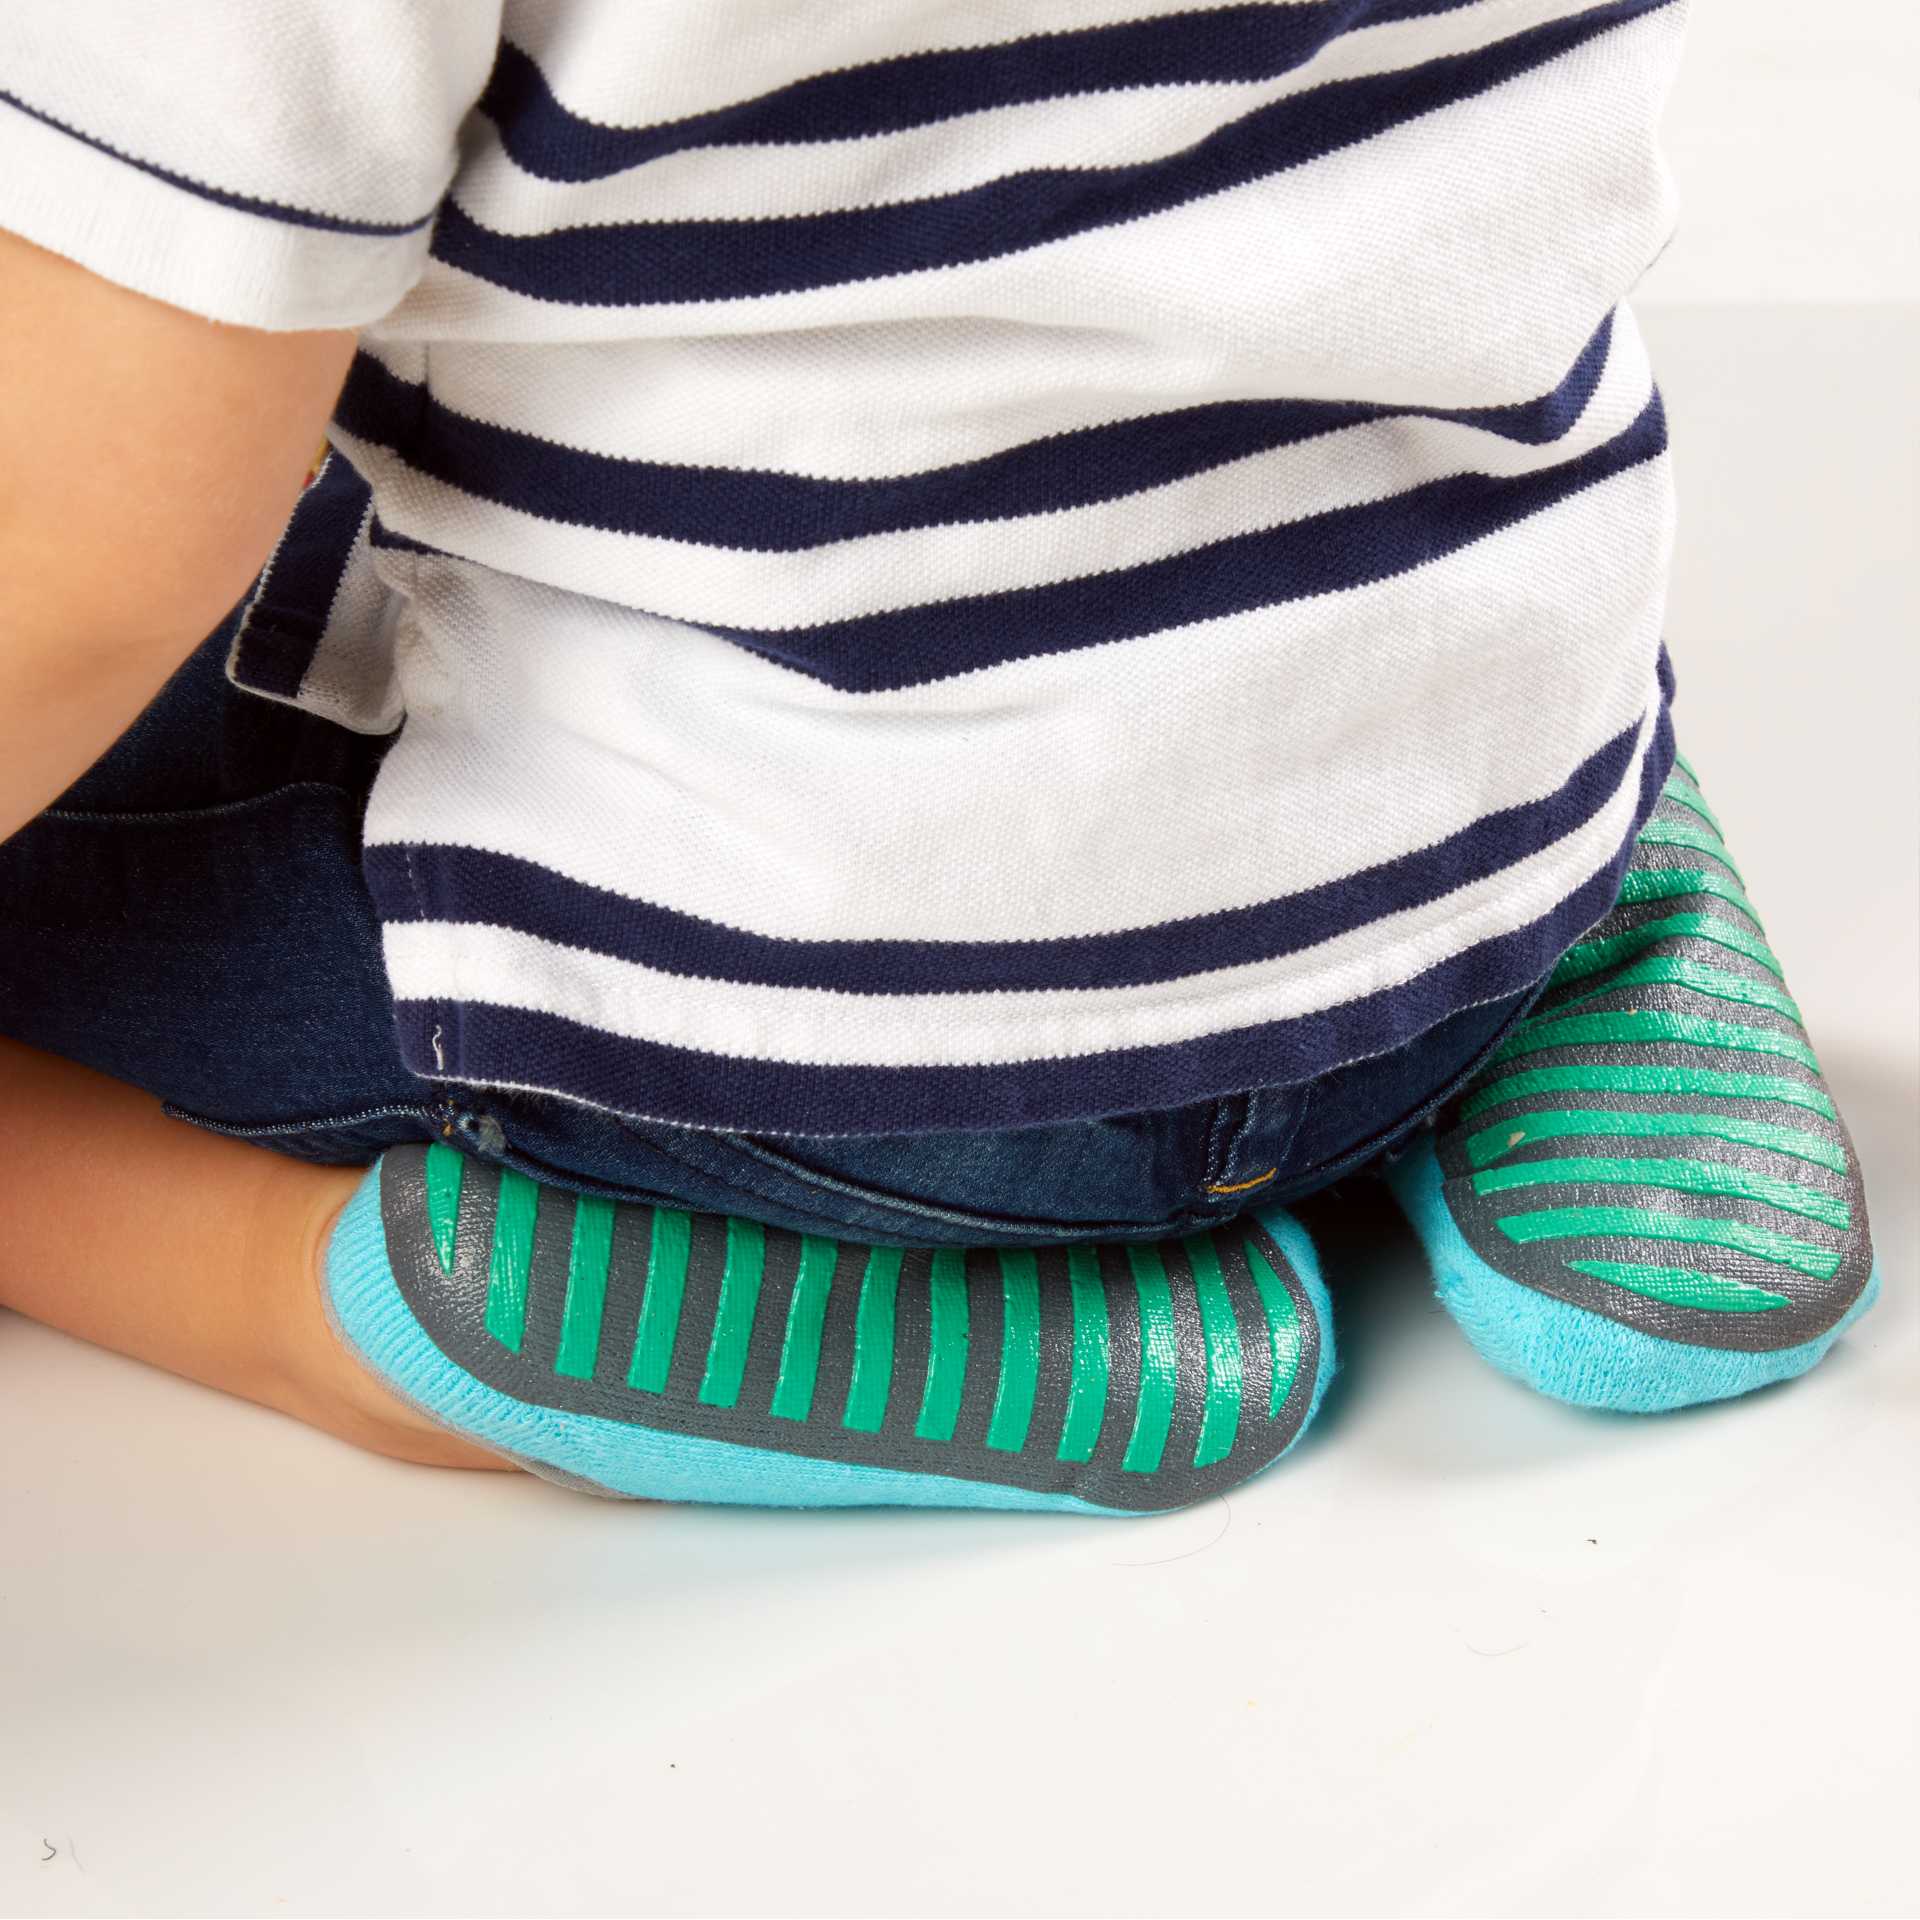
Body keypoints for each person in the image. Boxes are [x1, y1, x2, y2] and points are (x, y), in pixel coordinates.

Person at [0, 0, 1873, 1514]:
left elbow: (84, 568)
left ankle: (320, 1294)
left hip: (801, 1046)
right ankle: (1607, 899)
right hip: (1475, 800)